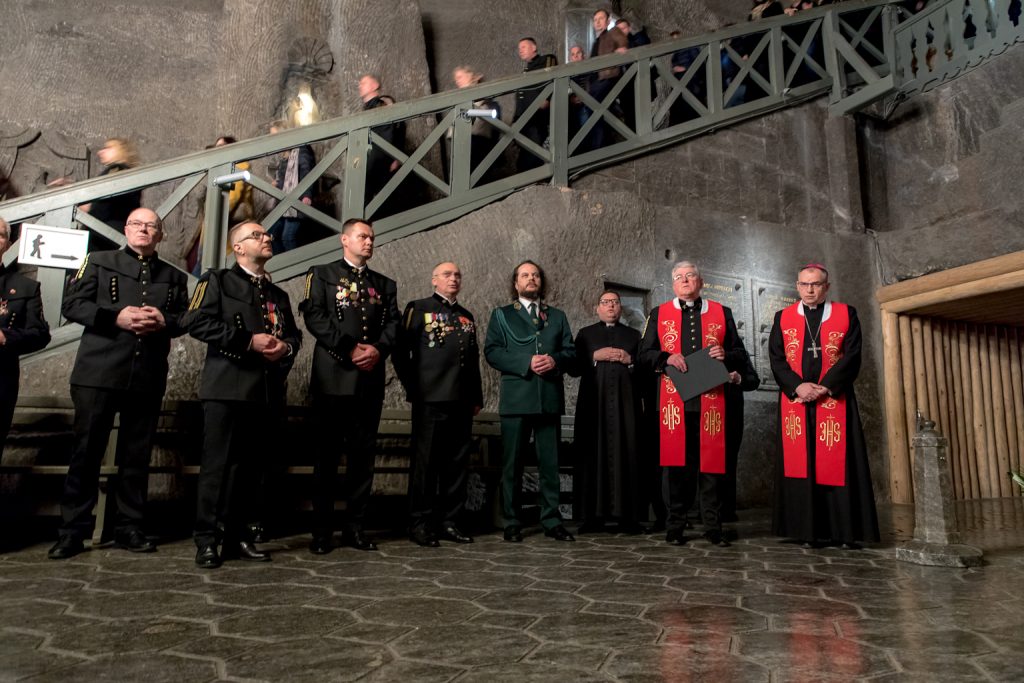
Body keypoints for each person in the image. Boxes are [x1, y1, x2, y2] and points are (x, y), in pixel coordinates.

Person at [49, 208, 189, 559]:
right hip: (97, 374)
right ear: (126, 229)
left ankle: (129, 527)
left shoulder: (174, 276)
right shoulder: (98, 261)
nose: (144, 229)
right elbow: (72, 304)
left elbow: (186, 318)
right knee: (86, 453)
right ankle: (72, 532)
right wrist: (115, 317)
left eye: (152, 226)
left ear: (160, 235)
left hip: (146, 375)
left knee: (136, 456)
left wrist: (165, 320)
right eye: (137, 224)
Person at [186, 222, 301, 568]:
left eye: (267, 234)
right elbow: (196, 322)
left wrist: (285, 347)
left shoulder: (277, 294)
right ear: (237, 247)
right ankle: (208, 539)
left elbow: (294, 337)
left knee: (251, 469)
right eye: (257, 235)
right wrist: (248, 341)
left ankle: (239, 537)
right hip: (226, 388)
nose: (267, 238)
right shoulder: (217, 281)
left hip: (264, 392)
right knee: (217, 467)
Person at [301, 219, 400, 554]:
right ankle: (321, 532)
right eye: (362, 236)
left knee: (362, 459)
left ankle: (355, 528)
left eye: (372, 237)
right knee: (326, 458)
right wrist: (349, 348)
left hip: (369, 378)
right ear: (344, 240)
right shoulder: (322, 274)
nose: (369, 241)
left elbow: (393, 324)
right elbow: (314, 316)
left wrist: (378, 350)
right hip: (333, 376)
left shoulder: (384, 284)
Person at [768, 263, 879, 549]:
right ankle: (807, 531)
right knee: (801, 464)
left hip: (833, 398)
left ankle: (844, 532)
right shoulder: (783, 318)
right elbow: (777, 358)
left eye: (816, 284)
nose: (810, 290)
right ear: (797, 286)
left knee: (838, 463)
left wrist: (826, 386)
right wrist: (798, 386)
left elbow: (852, 355)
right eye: (804, 284)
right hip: (797, 401)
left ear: (826, 287)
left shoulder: (846, 313)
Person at [639, 261, 747, 547]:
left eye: (690, 276)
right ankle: (675, 526)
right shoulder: (658, 313)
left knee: (712, 466)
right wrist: (665, 358)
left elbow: (740, 353)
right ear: (673, 284)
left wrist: (725, 354)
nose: (685, 280)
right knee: (676, 468)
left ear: (701, 281)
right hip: (673, 403)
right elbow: (644, 354)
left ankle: (713, 526)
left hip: (712, 401)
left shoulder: (722, 312)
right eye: (679, 277)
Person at [484, 261, 576, 543]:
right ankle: (512, 521)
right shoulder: (501, 315)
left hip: (548, 399)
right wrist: (526, 362)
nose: (531, 278)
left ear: (541, 282)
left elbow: (570, 352)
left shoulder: (557, 316)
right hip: (516, 400)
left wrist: (555, 360)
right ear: (516, 283)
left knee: (550, 464)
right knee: (512, 465)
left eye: (535, 275)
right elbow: (492, 352)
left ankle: (552, 520)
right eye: (525, 275)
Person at [394, 262, 482, 547]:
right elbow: (400, 352)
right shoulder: (419, 308)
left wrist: (476, 397)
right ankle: (419, 523)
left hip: (462, 400)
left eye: (457, 275)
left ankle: (449, 522)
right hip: (430, 399)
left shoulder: (466, 316)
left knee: (456, 465)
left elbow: (472, 361)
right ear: (434, 280)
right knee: (426, 464)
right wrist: (415, 388)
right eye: (447, 274)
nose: (453, 278)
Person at [572, 290, 645, 534]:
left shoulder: (634, 336)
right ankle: (591, 517)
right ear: (597, 308)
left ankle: (629, 518)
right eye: (605, 302)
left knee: (628, 452)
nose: (611, 306)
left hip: (627, 407)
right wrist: (594, 355)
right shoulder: (585, 335)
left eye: (615, 302)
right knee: (592, 454)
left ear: (620, 307)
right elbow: (573, 367)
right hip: (593, 406)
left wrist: (630, 360)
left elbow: (645, 370)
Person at [0, 216, 51, 458]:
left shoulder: (25, 287)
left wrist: (4, 337)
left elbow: (40, 334)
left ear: (8, 243)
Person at [721, 332, 760, 524]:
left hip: (730, 413)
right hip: (701, 415)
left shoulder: (735, 350)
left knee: (728, 460)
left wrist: (739, 379)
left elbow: (753, 379)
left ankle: (726, 510)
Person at [79, 137, 142, 236]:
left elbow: (103, 206)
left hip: (106, 233)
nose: (100, 152)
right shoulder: (120, 172)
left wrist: (88, 207)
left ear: (121, 150)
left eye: (108, 148)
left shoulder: (118, 172)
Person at [270, 125, 315, 254]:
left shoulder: (301, 150)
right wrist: (277, 183)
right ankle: (281, 262)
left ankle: (295, 264)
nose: (272, 139)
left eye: (274, 135)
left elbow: (307, 173)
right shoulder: (285, 154)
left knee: (288, 237)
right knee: (272, 234)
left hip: (296, 201)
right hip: (283, 202)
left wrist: (307, 195)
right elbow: (286, 179)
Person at [513, 38, 557, 172]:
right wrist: (515, 119)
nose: (520, 50)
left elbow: (552, 77)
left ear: (534, 47)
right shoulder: (526, 70)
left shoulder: (546, 60)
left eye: (524, 47)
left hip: (537, 118)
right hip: (524, 119)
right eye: (519, 48)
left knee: (534, 154)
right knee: (524, 157)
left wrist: (546, 98)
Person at [588, 9, 628, 149]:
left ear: (608, 21)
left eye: (601, 19)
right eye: (595, 20)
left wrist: (621, 49)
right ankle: (602, 144)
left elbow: (623, 42)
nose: (598, 22)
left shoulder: (613, 32)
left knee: (595, 109)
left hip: (608, 78)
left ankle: (598, 147)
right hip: (597, 81)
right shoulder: (597, 41)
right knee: (597, 111)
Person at [452, 66, 500, 183]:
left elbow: (490, 113)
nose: (457, 81)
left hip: (479, 143)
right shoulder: (460, 98)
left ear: (470, 75)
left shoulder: (482, 94)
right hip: (463, 144)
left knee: (480, 178)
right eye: (456, 79)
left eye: (460, 77)